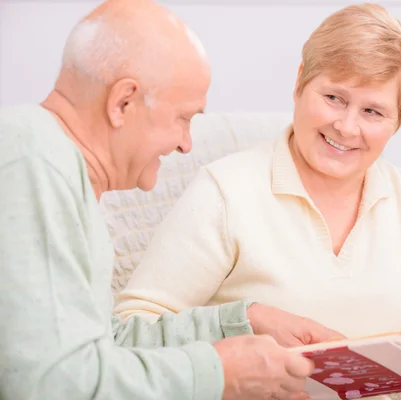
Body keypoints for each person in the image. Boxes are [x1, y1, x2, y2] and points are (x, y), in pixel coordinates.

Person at [114, 2, 401, 385]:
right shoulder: (227, 192)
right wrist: (242, 325)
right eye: (334, 98)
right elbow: (129, 331)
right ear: (300, 82)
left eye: (372, 111)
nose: (347, 127)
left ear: (399, 120)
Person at [0, 0, 344, 399]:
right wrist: (220, 375)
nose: (186, 144)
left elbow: (102, 347)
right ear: (123, 103)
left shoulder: (48, 161)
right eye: (184, 118)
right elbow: (53, 385)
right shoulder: (32, 161)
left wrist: (241, 323)